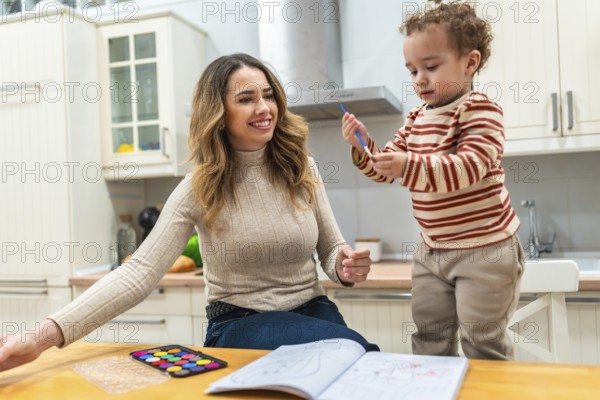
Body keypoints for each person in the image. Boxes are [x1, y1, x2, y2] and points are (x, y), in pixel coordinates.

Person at [0, 53, 379, 373]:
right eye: (246, 98)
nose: (264, 108)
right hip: (240, 323)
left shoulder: (303, 168)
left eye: (268, 95)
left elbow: (331, 250)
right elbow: (140, 272)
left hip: (314, 312)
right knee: (352, 349)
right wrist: (39, 337)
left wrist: (343, 264)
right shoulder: (201, 185)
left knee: (363, 366)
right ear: (219, 112)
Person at [341, 2, 524, 360]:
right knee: (429, 339)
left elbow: (469, 167)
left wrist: (406, 164)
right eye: (412, 70)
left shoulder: (480, 110)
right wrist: (363, 146)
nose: (419, 80)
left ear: (469, 63)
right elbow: (385, 168)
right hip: (431, 251)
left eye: (430, 67)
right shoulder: (416, 119)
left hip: (484, 249)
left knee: (482, 343)